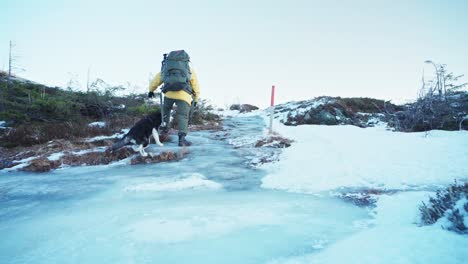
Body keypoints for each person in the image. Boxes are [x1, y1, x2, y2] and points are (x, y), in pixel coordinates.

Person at [148, 50, 200, 146]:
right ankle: (182, 139)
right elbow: (195, 83)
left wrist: (151, 90)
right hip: (184, 95)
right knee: (182, 116)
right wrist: (196, 97)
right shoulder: (188, 68)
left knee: (165, 112)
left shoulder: (167, 67)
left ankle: (164, 131)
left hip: (169, 93)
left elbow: (157, 79)